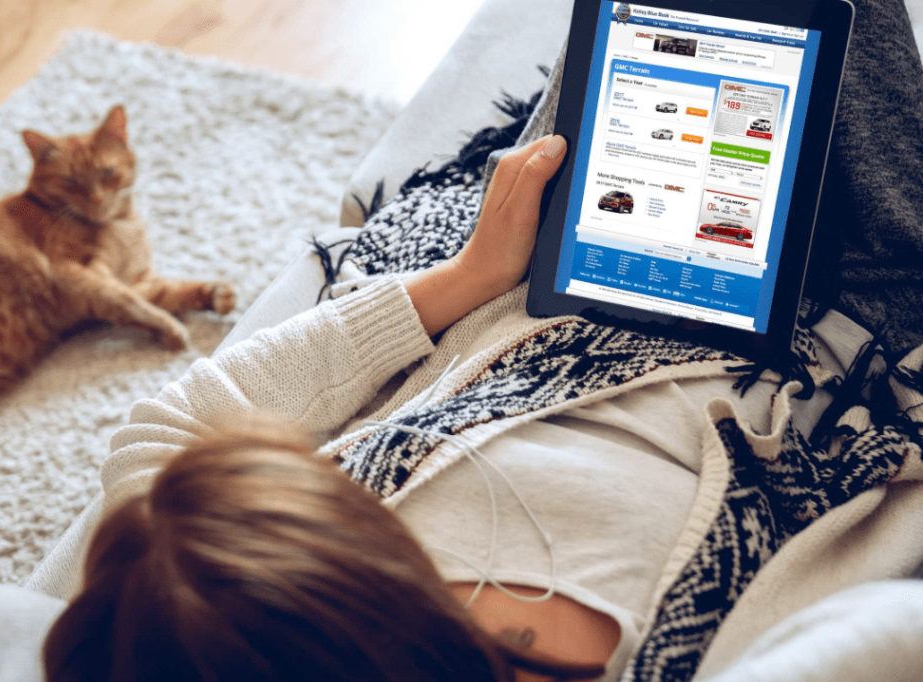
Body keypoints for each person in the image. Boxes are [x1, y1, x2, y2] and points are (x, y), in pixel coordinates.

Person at [41, 134, 835, 681]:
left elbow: (162, 428)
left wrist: (469, 275)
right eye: (357, 512)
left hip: (535, 302)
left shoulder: (189, 595)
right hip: (819, 350)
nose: (364, 488)